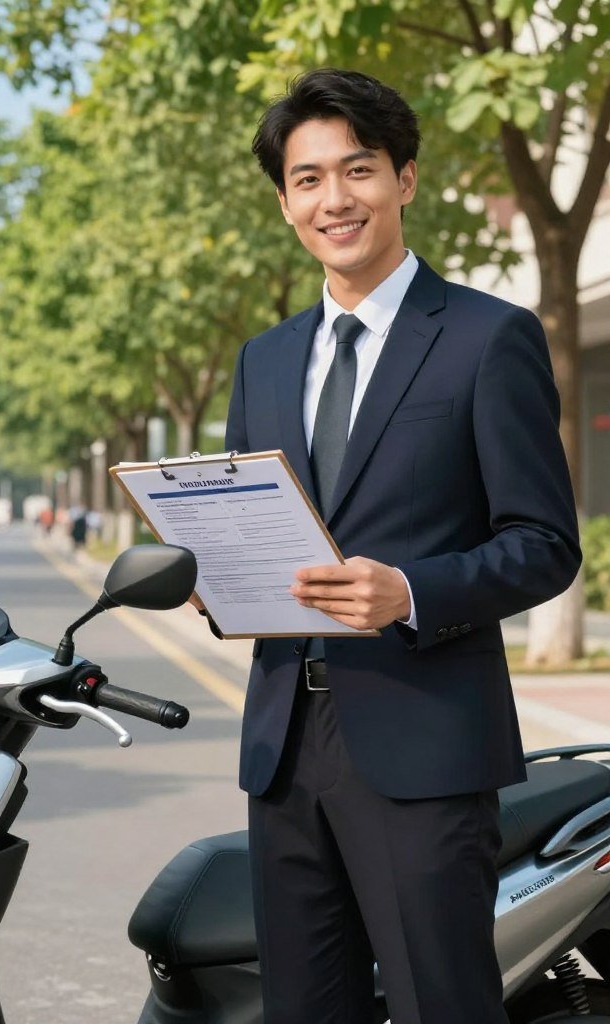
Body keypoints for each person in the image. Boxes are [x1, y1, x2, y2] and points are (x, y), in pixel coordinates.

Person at [218, 68, 581, 1024]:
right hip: (285, 748)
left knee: (440, 1008)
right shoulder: (264, 360)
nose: (334, 199)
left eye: (358, 170)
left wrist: (409, 592)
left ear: (406, 181)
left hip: (425, 745)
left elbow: (545, 545)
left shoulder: (486, 338)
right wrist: (214, 579)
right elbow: (250, 518)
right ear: (285, 202)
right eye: (307, 180)